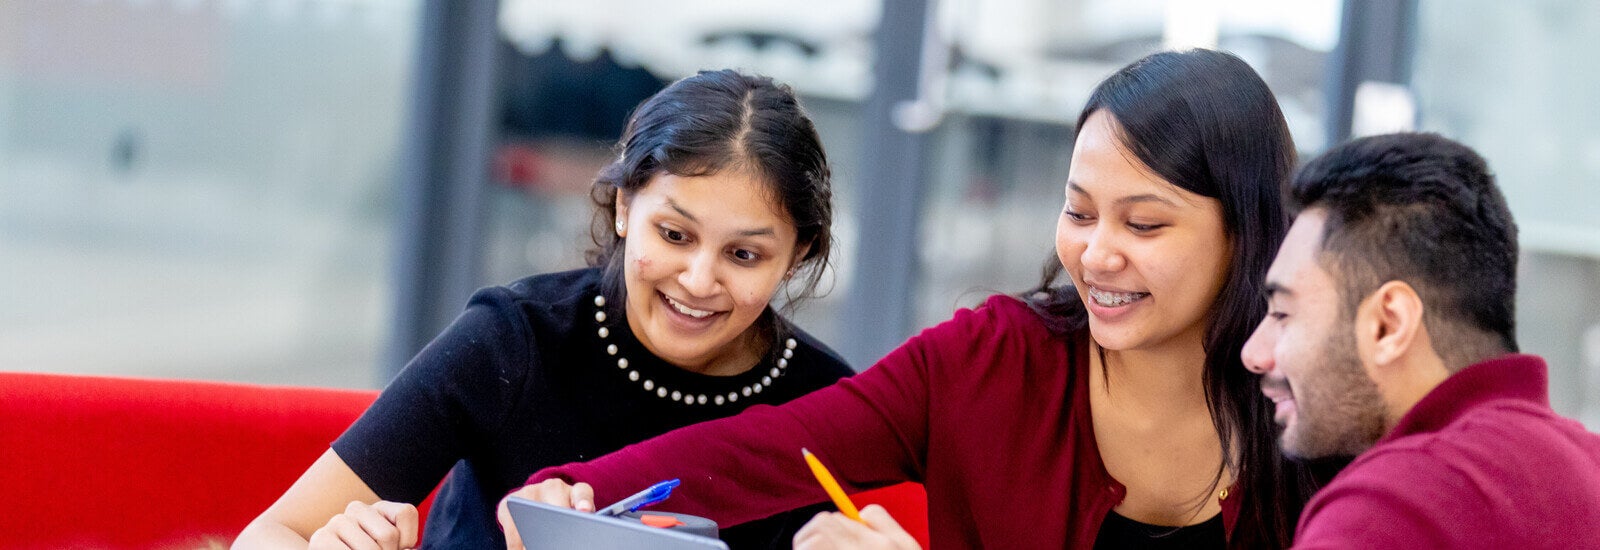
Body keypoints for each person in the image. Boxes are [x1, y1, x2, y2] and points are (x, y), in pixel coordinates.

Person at [502, 49, 1335, 549]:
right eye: (1077, 212)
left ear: (1247, 231)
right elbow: (758, 451)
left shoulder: (1321, 409)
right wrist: (576, 491)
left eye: (1145, 224)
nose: (1094, 252)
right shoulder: (992, 362)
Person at [233, 69, 856, 550]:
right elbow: (268, 535)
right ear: (622, 209)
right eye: (673, 235)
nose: (699, 280)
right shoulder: (515, 339)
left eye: (743, 255)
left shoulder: (828, 405)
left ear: (796, 255)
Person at [1240, 132, 1600, 548]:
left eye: (1284, 313)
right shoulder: (1586, 465)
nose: (1255, 353)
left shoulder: (1394, 507)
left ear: (1388, 324)